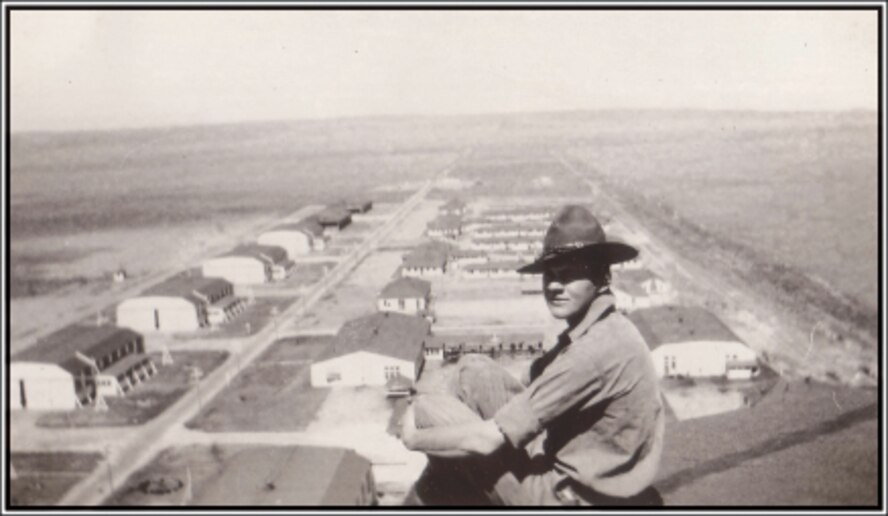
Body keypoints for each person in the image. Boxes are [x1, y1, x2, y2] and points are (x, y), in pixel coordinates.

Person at [399, 205, 665, 506]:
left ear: (602, 276)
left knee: (427, 409)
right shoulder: (606, 328)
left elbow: (486, 440)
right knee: (472, 371)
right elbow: (526, 382)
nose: (553, 285)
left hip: (572, 498)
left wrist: (414, 439)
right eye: (550, 274)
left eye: (569, 275)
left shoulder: (593, 352)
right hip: (592, 476)